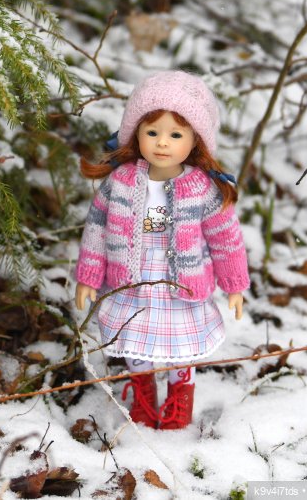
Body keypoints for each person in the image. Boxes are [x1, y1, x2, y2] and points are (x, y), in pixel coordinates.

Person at [74, 71, 249, 430]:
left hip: (180, 288)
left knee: (180, 350)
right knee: (134, 343)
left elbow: (225, 238)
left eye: (175, 134)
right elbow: (96, 229)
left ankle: (179, 397)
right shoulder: (120, 182)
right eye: (152, 132)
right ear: (134, 133)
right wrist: (89, 277)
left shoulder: (202, 189)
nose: (162, 144)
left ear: (196, 140)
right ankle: (143, 395)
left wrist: (234, 285)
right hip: (131, 282)